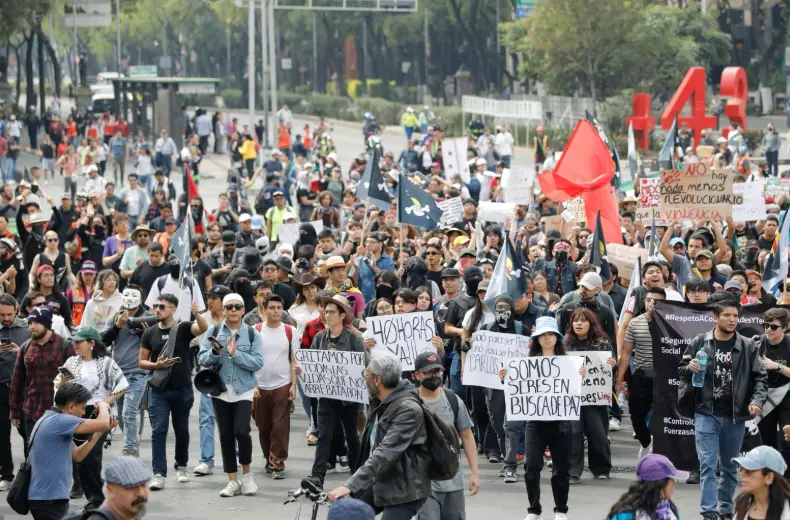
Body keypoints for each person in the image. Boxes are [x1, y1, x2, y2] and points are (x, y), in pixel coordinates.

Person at [679, 300, 768, 520]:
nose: (732, 320)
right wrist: (689, 368)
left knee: (729, 468)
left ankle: (726, 508)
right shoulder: (701, 341)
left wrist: (757, 401)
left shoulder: (747, 345)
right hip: (705, 412)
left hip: (735, 415)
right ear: (715, 318)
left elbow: (760, 377)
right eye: (727, 315)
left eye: (735, 316)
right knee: (707, 465)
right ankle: (709, 510)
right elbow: (681, 368)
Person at [326, 351, 430, 519]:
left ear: (377, 380)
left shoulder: (408, 410)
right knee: (346, 513)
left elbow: (385, 453)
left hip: (405, 487)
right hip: (381, 478)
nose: (364, 377)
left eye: (366, 373)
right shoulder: (378, 400)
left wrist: (350, 485)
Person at [514, 316, 585, 520]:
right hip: (534, 422)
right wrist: (507, 377)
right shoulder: (527, 364)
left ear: (557, 338)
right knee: (531, 466)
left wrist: (580, 375)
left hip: (561, 422)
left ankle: (561, 509)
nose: (547, 338)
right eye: (543, 335)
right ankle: (534, 509)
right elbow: (517, 388)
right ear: (536, 338)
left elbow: (573, 390)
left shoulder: (569, 363)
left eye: (551, 334)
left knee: (562, 468)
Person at [138, 293, 208, 490]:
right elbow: (141, 362)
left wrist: (198, 314)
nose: (157, 310)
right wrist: (156, 364)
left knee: (181, 430)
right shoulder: (149, 333)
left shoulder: (184, 328)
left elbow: (202, 328)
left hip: (182, 389)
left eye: (162, 306)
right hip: (158, 390)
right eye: (156, 306)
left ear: (173, 309)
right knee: (158, 431)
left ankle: (182, 466)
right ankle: (158, 473)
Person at [54, 327, 128, 511]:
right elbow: (58, 388)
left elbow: (122, 384)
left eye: (80, 341)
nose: (75, 345)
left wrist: (104, 403)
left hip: (97, 416)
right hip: (74, 416)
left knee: (91, 457)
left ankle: (96, 499)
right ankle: (91, 493)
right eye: (75, 341)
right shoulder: (72, 362)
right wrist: (63, 382)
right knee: (77, 458)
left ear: (92, 343)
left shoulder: (106, 363)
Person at [197, 292, 263, 496]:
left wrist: (236, 354)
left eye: (237, 306)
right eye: (229, 307)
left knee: (241, 431)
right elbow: (202, 359)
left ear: (243, 310)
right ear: (223, 310)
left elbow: (258, 363)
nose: (233, 310)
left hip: (244, 389)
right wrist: (215, 352)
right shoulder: (213, 330)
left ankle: (247, 475)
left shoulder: (253, 334)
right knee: (225, 435)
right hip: (220, 390)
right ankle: (232, 480)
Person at [304, 294, 366, 491]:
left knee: (352, 436)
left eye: (331, 312)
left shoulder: (354, 339)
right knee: (324, 436)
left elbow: (364, 365)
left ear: (342, 315)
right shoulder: (319, 338)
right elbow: (313, 364)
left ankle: (357, 477)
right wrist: (303, 370)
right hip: (327, 398)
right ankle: (317, 478)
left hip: (349, 398)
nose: (326, 315)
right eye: (325, 312)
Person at [27, 385, 115, 520]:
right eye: (82, 407)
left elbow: (78, 455)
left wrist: (98, 433)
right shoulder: (60, 421)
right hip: (48, 498)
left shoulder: (51, 419)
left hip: (48, 498)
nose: (84, 413)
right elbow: (103, 423)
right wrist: (103, 404)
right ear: (71, 407)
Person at [413, 351, 480, 520]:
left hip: (453, 481)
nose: (434, 375)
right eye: (429, 372)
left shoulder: (453, 399)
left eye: (437, 371)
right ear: (417, 374)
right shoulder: (410, 403)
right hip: (422, 483)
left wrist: (475, 473)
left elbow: (467, 436)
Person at [10, 307, 76, 447]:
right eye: (30, 323)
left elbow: (76, 381)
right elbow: (17, 381)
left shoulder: (64, 346)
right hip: (32, 412)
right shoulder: (26, 347)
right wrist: (14, 411)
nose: (32, 327)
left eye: (36, 323)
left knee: (60, 453)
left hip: (59, 412)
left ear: (47, 324)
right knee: (33, 455)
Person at [564, 307, 615, 482]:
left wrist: (611, 363)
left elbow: (609, 369)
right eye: (575, 320)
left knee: (598, 435)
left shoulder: (603, 344)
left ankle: (601, 468)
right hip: (573, 398)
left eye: (583, 320)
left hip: (595, 398)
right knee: (573, 434)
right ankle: (572, 471)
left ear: (591, 324)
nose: (579, 323)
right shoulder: (565, 344)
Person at [101, 285, 152, 457]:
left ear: (141, 299)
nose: (130, 299)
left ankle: (129, 449)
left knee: (129, 411)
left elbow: (155, 344)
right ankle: (132, 439)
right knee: (122, 414)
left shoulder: (148, 317)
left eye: (134, 296)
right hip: (118, 374)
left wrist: (143, 332)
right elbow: (103, 343)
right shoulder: (115, 317)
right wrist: (117, 326)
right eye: (126, 295)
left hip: (138, 372)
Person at [251, 294, 297, 480]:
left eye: (279, 308)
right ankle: (268, 457)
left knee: (280, 426)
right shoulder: (255, 330)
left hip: (282, 384)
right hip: (259, 386)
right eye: (272, 308)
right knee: (263, 426)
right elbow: (250, 360)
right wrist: (253, 385)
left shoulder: (290, 331)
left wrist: (293, 385)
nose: (276, 311)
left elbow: (294, 359)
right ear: (265, 309)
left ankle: (277, 463)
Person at [618, 287, 666, 459]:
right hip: (642, 375)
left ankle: (658, 449)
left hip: (664, 377)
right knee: (636, 415)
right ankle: (646, 443)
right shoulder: (635, 322)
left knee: (660, 417)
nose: (652, 303)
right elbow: (626, 353)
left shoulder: (671, 324)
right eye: (649, 300)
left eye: (657, 301)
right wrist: (619, 379)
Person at [191, 285, 231, 477]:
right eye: (209, 297)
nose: (211, 301)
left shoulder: (234, 319)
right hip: (209, 377)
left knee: (232, 419)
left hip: (232, 377)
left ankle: (235, 454)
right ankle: (206, 460)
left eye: (215, 297)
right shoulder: (204, 321)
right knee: (207, 419)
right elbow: (200, 353)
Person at [756, 308, 790, 475]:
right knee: (767, 442)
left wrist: (777, 366)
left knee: (787, 440)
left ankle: (786, 480)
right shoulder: (757, 343)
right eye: (766, 325)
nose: (768, 329)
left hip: (787, 395)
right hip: (765, 395)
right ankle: (772, 480)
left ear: (784, 328)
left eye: (774, 327)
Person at [0, 294, 28, 489]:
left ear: (16, 310)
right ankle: (6, 474)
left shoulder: (27, 328)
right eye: (2, 315)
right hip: (1, 388)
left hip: (23, 391)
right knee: (1, 435)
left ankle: (31, 472)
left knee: (28, 434)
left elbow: (36, 354)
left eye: (10, 314)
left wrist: (20, 352)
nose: (7, 318)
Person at [606, 454, 685, 520]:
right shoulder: (627, 515)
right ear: (660, 483)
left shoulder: (670, 508)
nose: (674, 483)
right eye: (672, 479)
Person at [82, 455, 152, 520]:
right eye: (131, 487)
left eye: (143, 485)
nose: (141, 493)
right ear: (110, 490)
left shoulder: (129, 514)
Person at [732, 445, 790, 520]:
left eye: (749, 470)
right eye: (741, 468)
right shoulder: (742, 503)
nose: (742, 473)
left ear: (769, 478)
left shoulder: (787, 511)